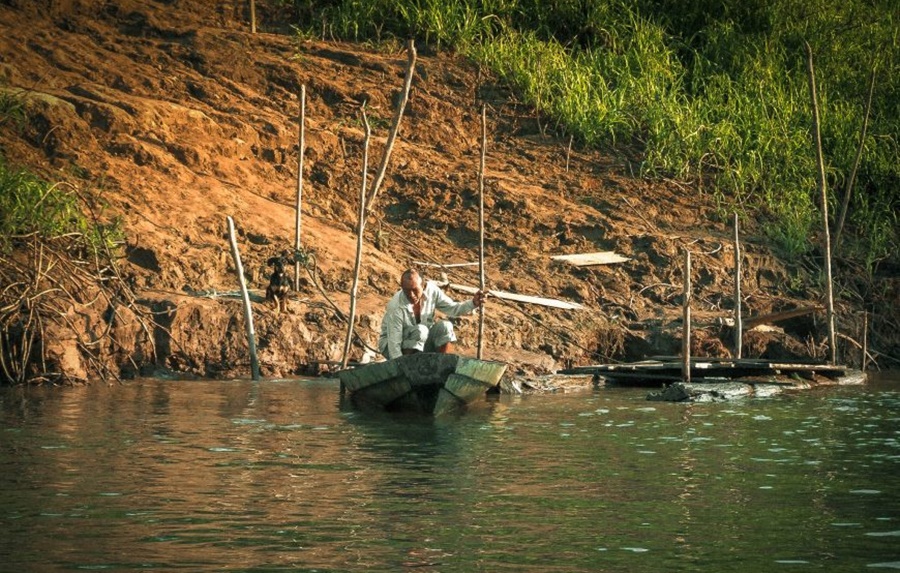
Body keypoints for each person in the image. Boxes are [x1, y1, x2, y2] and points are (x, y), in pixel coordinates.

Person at [378, 268, 484, 360]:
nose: (411, 295)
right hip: (393, 346)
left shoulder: (432, 291)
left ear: (423, 286)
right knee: (421, 330)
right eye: (406, 291)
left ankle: (444, 366)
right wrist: (399, 369)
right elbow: (394, 344)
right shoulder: (396, 306)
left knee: (445, 326)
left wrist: (473, 303)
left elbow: (453, 308)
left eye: (414, 290)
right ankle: (411, 368)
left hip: (420, 341)